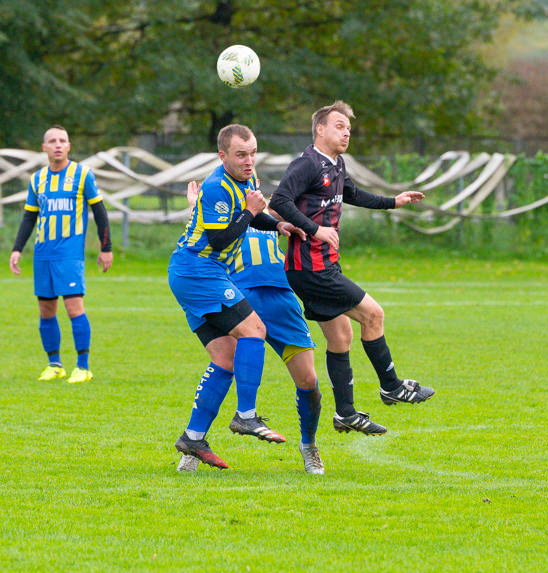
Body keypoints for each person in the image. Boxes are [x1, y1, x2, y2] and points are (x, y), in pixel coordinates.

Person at [269, 101, 435, 436]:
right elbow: (280, 202)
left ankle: (345, 413)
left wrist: (394, 201)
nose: (346, 133)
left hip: (324, 265)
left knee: (341, 336)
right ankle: (391, 386)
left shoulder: (335, 164)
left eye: (348, 128)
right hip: (311, 267)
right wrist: (315, 230)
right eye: (339, 126)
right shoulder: (306, 164)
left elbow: (352, 193)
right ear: (320, 129)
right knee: (373, 314)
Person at [168, 124, 303, 470]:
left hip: (200, 273)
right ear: (222, 155)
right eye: (241, 154)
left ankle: (193, 438)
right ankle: (246, 415)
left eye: (253, 152)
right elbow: (219, 241)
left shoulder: (248, 179)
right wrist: (249, 210)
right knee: (254, 330)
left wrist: (279, 225)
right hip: (198, 270)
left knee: (225, 357)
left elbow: (254, 216)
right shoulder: (215, 186)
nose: (249, 160)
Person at [177, 181, 325, 475]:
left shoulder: (268, 215)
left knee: (308, 380)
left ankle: (308, 446)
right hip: (237, 293)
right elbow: (205, 236)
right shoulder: (225, 212)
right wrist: (195, 206)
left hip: (280, 299)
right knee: (223, 363)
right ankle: (194, 442)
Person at [10, 125, 113, 384]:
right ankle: (54, 364)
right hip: (42, 253)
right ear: (44, 147)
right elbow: (29, 216)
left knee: (73, 306)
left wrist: (106, 248)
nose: (58, 144)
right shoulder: (37, 179)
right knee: (46, 309)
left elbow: (100, 213)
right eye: (52, 141)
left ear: (69, 146)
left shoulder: (82, 175)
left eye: (62, 140)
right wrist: (17, 249)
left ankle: (83, 365)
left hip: (69, 253)